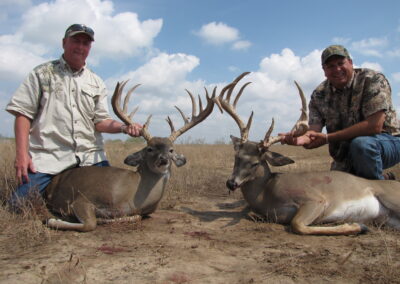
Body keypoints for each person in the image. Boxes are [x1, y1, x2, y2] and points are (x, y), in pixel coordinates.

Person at [6, 24, 142, 205]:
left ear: (90, 48)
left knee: (115, 201)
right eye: (75, 41)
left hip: (90, 158)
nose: (80, 47)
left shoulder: (96, 82)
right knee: (18, 206)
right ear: (64, 43)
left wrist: (124, 127)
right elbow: (23, 114)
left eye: (85, 43)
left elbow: (101, 121)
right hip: (49, 158)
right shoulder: (42, 74)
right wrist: (22, 155)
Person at [281, 44, 400, 180]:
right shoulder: (319, 94)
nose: (337, 69)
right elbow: (314, 132)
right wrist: (300, 140)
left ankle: (380, 190)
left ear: (350, 63)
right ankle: (385, 179)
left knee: (362, 146)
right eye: (330, 66)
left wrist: (327, 138)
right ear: (324, 70)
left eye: (340, 63)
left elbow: (374, 126)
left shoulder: (372, 79)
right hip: (347, 152)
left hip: (388, 142)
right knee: (335, 187)